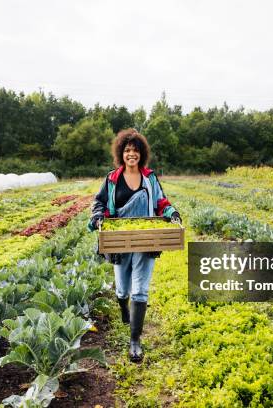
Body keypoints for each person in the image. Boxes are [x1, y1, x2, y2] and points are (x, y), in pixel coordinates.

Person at [88, 128, 181, 362]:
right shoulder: (112, 179)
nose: (132, 154)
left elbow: (161, 201)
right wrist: (99, 218)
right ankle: (123, 307)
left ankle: (135, 341)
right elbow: (98, 203)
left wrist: (171, 212)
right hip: (119, 241)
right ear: (122, 153)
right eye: (128, 150)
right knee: (122, 288)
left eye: (136, 151)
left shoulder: (149, 178)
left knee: (140, 289)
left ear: (142, 154)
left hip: (145, 239)